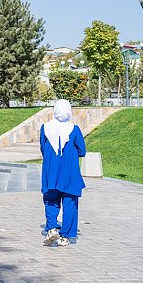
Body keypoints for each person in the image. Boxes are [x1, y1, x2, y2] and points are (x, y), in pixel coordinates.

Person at [40, 99, 86, 247]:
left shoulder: (45, 128)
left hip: (51, 171)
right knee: (70, 203)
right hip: (69, 173)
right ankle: (65, 237)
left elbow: (42, 147)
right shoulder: (74, 129)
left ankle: (52, 227)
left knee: (51, 200)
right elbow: (82, 151)